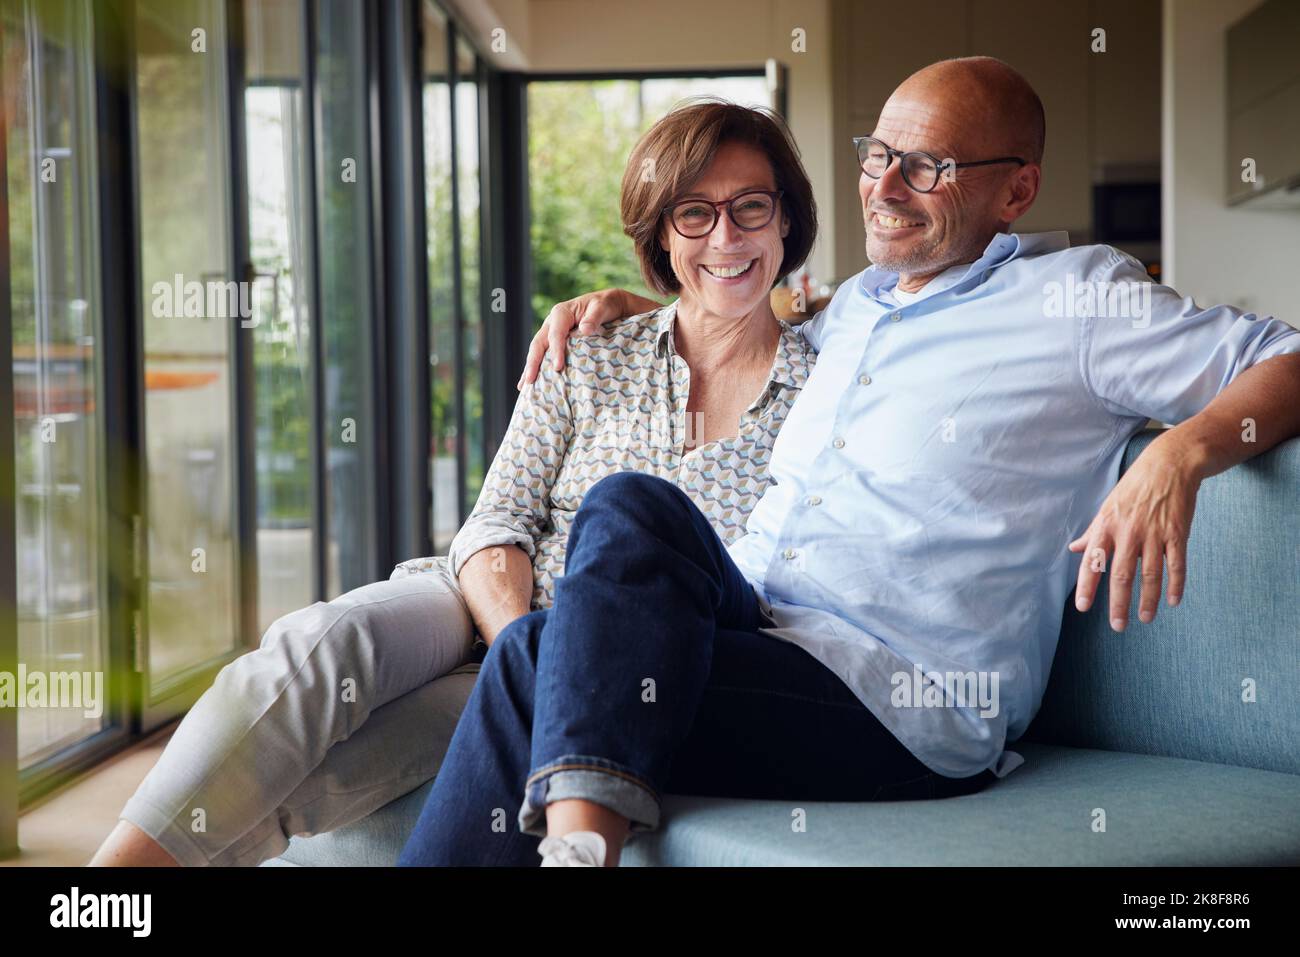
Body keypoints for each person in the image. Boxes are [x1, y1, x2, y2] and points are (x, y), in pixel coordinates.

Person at [398, 56, 1300, 867]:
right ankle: (579, 850)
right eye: (879, 154)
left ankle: (578, 854)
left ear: (1016, 191)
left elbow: (1286, 359)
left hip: (900, 701)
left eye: (929, 166)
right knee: (626, 508)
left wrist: (1183, 451)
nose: (887, 186)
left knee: (531, 660)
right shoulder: (857, 307)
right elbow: (738, 308)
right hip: (766, 627)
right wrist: (650, 304)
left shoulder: (1081, 301)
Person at [89, 98, 818, 866]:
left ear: (785, 221)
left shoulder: (827, 388)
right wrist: (521, 646)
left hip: (608, 664)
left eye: (751, 208)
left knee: (333, 770)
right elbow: (495, 521)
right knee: (319, 644)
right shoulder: (593, 351)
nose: (727, 237)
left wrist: (552, 669)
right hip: (479, 601)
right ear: (663, 236)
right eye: (695, 214)